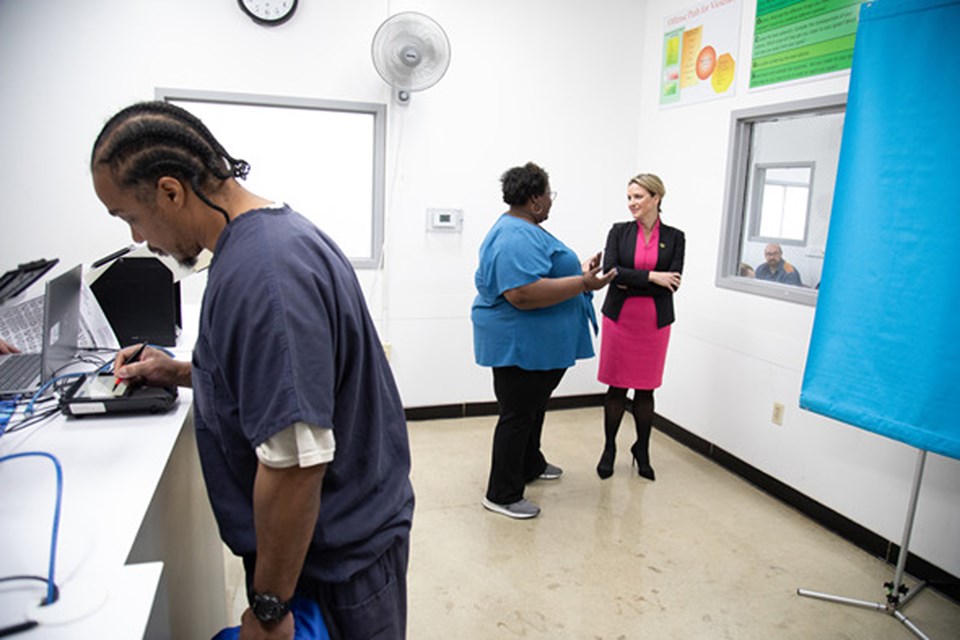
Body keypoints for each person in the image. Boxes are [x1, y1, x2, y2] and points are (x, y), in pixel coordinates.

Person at [91, 101, 414, 640]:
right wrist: (176, 371)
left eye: (130, 217)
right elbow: (275, 379)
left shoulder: (265, 275)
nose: (138, 239)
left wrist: (269, 607)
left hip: (334, 562)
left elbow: (295, 463)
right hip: (324, 545)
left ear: (171, 191)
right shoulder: (266, 241)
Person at [472, 162, 616, 519]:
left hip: (538, 344)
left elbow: (542, 273)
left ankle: (529, 465)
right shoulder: (514, 235)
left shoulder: (525, 228)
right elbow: (521, 292)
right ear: (535, 200)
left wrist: (578, 272)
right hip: (520, 344)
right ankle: (502, 493)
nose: (551, 201)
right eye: (549, 194)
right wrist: (584, 284)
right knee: (518, 414)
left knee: (533, 408)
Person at [596, 173, 685, 481]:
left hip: (654, 322)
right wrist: (650, 277)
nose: (632, 203)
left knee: (646, 389)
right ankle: (609, 449)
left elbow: (672, 281)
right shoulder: (619, 232)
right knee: (617, 387)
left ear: (656, 198)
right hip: (620, 320)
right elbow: (611, 271)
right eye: (629, 197)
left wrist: (631, 279)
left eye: (638, 197)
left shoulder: (675, 237)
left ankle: (642, 449)